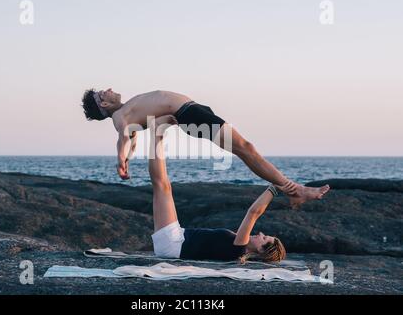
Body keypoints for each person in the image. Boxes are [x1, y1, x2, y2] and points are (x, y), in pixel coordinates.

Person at [81, 88, 330, 208]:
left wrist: (127, 154)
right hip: (188, 113)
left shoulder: (127, 109)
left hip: (194, 110)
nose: (110, 89)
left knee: (244, 148)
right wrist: (121, 159)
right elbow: (124, 137)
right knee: (245, 148)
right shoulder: (119, 116)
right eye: (104, 92)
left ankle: (292, 190)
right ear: (103, 103)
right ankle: (295, 190)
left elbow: (131, 138)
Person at [148, 117, 286, 262]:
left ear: (260, 250)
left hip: (174, 243)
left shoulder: (239, 248)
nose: (260, 234)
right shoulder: (237, 250)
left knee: (162, 186)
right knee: (162, 186)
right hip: (175, 241)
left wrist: (275, 187)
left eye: (264, 238)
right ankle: (157, 132)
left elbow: (253, 213)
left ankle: (157, 132)